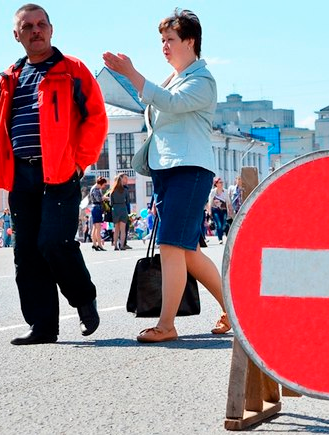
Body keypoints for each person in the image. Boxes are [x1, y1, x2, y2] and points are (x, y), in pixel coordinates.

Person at [0, 3, 106, 345]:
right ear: (17, 35)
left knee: (54, 243)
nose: (35, 30)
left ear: (51, 29)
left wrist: (80, 162)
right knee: (27, 252)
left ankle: (83, 297)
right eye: (27, 26)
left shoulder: (72, 70)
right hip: (21, 174)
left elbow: (96, 118)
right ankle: (43, 327)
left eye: (41, 24)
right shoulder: (8, 79)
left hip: (60, 172)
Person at [103, 8, 232, 343]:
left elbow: (172, 104)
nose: (164, 46)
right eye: (161, 40)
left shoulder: (202, 80)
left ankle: (167, 325)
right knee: (187, 251)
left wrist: (131, 73)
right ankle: (235, 310)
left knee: (171, 246)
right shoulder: (173, 79)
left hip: (189, 171)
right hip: (168, 171)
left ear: (189, 41)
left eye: (170, 39)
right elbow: (161, 105)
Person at [105, 173, 130, 250]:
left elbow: (111, 203)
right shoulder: (125, 190)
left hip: (115, 209)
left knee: (116, 229)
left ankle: (115, 246)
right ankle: (122, 246)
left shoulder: (112, 191)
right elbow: (128, 201)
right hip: (123, 208)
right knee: (123, 230)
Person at [208, 177, 233, 244]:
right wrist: (209, 211)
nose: (221, 184)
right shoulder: (213, 192)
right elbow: (210, 202)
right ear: (216, 184)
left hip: (224, 210)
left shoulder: (225, 191)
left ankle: (224, 231)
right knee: (219, 224)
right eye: (220, 182)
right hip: (215, 210)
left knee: (223, 224)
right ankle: (220, 239)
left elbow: (228, 202)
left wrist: (230, 211)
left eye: (222, 182)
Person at [88, 176, 107, 251]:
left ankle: (94, 244)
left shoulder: (95, 188)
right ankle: (99, 245)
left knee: (95, 227)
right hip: (97, 208)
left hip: (95, 208)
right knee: (98, 228)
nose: (104, 187)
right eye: (104, 185)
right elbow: (98, 199)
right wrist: (105, 198)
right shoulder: (96, 189)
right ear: (101, 184)